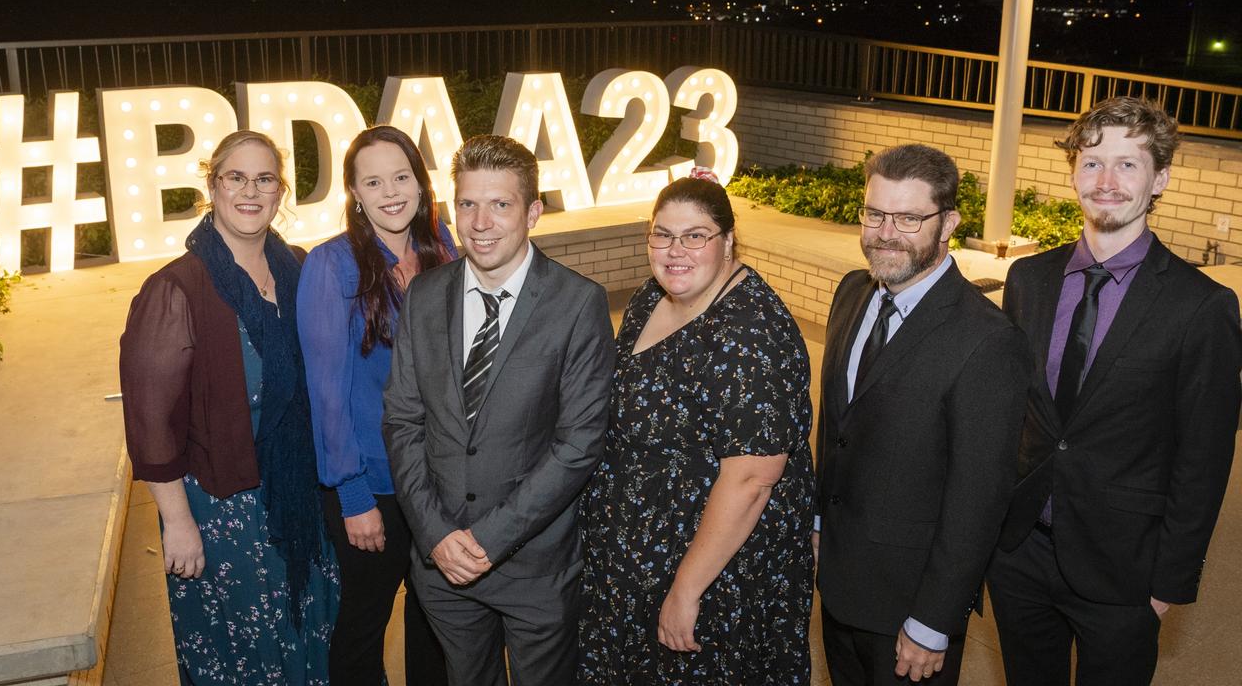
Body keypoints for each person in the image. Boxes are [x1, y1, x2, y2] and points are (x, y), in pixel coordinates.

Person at [988, 97, 1242, 686]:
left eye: (1129, 164)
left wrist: (1168, 585)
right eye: (1093, 161)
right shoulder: (1029, 278)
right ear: (1073, 171)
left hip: (1125, 571)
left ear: (1161, 179)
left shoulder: (1201, 306)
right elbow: (1014, 416)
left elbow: (1203, 460)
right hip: (1020, 553)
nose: (1106, 181)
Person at [383, 134, 615, 685]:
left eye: (501, 204)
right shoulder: (424, 295)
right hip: (443, 566)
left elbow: (579, 443)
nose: (480, 222)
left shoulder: (577, 303)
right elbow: (402, 421)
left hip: (534, 564)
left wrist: (489, 540)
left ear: (533, 212)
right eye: (468, 203)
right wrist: (436, 534)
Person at [577, 169, 817, 684]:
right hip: (635, 562)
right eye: (662, 234)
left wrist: (687, 590)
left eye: (694, 235)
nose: (675, 249)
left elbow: (752, 480)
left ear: (729, 241)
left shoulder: (752, 332)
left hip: (711, 576)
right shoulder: (652, 296)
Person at [119, 130, 339, 684]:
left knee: (316, 637)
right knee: (249, 658)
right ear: (212, 187)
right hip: (225, 509)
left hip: (300, 499)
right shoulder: (176, 289)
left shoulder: (297, 266)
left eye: (264, 178)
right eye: (235, 177)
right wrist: (177, 523)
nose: (250, 191)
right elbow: (151, 424)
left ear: (280, 191)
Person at [814, 144, 1032, 685]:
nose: (885, 233)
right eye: (875, 214)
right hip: (839, 584)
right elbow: (836, 428)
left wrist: (933, 621)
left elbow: (978, 498)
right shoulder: (851, 292)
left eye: (909, 218)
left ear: (949, 222)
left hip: (910, 608)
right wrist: (819, 521)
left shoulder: (987, 340)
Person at [297, 125, 453, 685]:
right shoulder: (331, 266)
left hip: (439, 481)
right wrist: (353, 493)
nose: (390, 191)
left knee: (437, 622)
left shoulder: (443, 250)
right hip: (375, 485)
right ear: (355, 195)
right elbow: (326, 393)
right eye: (373, 181)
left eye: (401, 176)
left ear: (419, 182)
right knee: (363, 629)